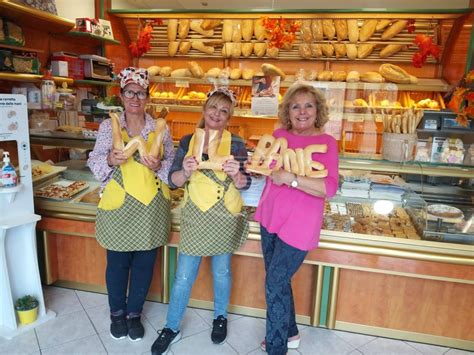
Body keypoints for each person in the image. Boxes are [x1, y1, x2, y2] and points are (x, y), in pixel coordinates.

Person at [151, 87, 251, 354]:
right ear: (204, 110)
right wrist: (184, 170)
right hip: (196, 214)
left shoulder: (238, 143)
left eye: (224, 111)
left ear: (229, 116)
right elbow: (172, 181)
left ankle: (220, 317)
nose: (217, 115)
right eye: (213, 108)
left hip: (225, 214)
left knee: (222, 272)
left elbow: (245, 183)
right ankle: (171, 327)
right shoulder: (187, 141)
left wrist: (236, 175)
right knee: (184, 276)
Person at [87, 67, 175, 342]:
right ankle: (116, 313)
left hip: (150, 207)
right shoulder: (108, 127)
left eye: (140, 93)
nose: (135, 98)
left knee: (144, 264)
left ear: (147, 96)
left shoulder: (159, 128)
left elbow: (173, 164)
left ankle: (134, 313)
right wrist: (112, 160)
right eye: (129, 92)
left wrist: (159, 164)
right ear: (122, 95)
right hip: (118, 205)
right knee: (117, 264)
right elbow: (94, 161)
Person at [254, 83, 339, 355]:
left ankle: (276, 347)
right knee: (277, 279)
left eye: (308, 105)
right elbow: (264, 170)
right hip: (270, 218)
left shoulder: (326, 143)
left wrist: (290, 179)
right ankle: (289, 332)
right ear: (287, 111)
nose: (302, 111)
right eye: (295, 106)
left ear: (318, 111)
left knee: (274, 282)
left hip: (300, 225)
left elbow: (329, 188)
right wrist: (254, 168)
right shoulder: (278, 136)